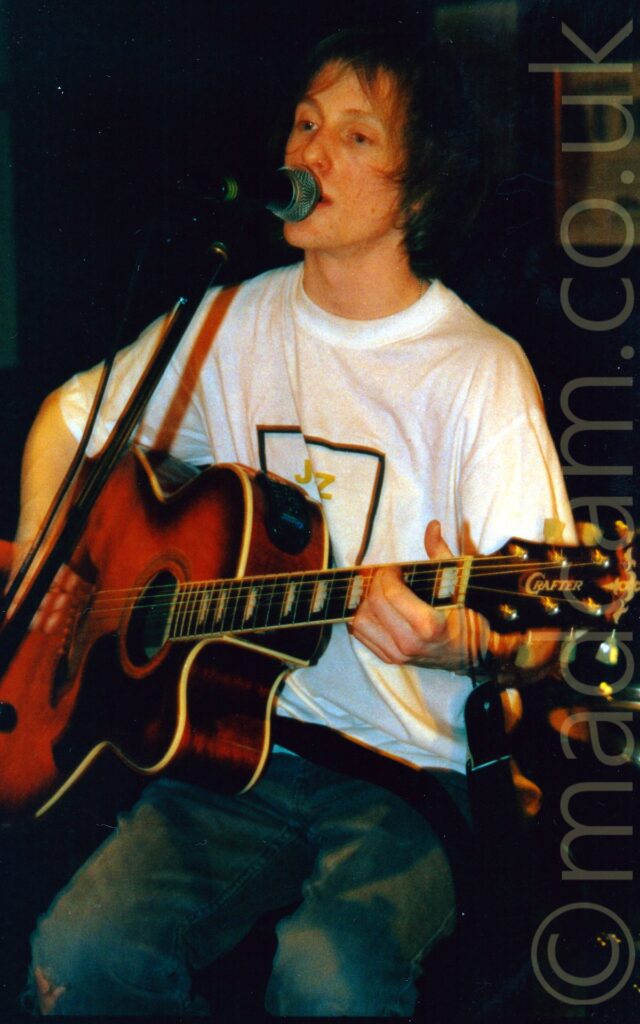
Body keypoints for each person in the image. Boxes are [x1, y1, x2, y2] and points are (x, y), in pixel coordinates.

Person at [14, 28, 574, 1018]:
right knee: (78, 952)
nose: (308, 153)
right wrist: (50, 565)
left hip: (406, 776)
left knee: (329, 978)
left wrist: (457, 638)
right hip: (226, 754)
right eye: (306, 123)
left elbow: (544, 623)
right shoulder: (227, 321)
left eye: (354, 136)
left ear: (421, 185)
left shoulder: (477, 372)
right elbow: (70, 416)